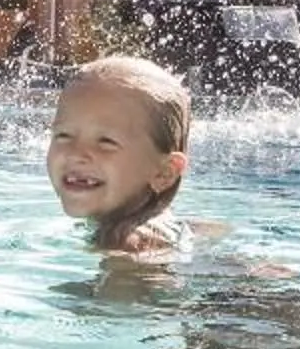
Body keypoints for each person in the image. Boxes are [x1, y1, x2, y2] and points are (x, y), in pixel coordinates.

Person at [48, 54, 192, 255]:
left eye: (106, 141)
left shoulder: (126, 246)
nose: (75, 154)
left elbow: (127, 285)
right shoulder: (161, 226)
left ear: (164, 173)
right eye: (63, 135)